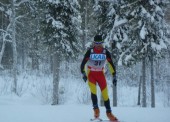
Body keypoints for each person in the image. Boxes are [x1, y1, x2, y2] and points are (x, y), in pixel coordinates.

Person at [80, 35, 118, 121]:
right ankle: (96, 111)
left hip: (100, 74)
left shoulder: (105, 52)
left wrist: (114, 75)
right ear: (94, 43)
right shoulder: (90, 51)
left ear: (102, 43)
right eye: (96, 43)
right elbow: (83, 63)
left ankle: (109, 113)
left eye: (100, 43)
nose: (98, 45)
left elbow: (111, 64)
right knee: (93, 92)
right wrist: (83, 73)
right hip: (91, 74)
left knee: (105, 94)